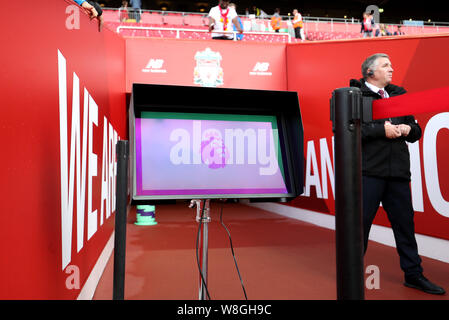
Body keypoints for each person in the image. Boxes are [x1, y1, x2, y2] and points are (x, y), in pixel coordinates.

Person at [349, 53, 445, 295]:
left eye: (391, 64)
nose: (392, 69)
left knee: (405, 228)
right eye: (385, 65)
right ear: (370, 72)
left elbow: (416, 131)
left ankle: (414, 275)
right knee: (359, 228)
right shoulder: (355, 95)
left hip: (398, 174)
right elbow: (351, 130)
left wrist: (407, 128)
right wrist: (381, 130)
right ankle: (351, 275)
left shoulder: (400, 94)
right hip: (368, 173)